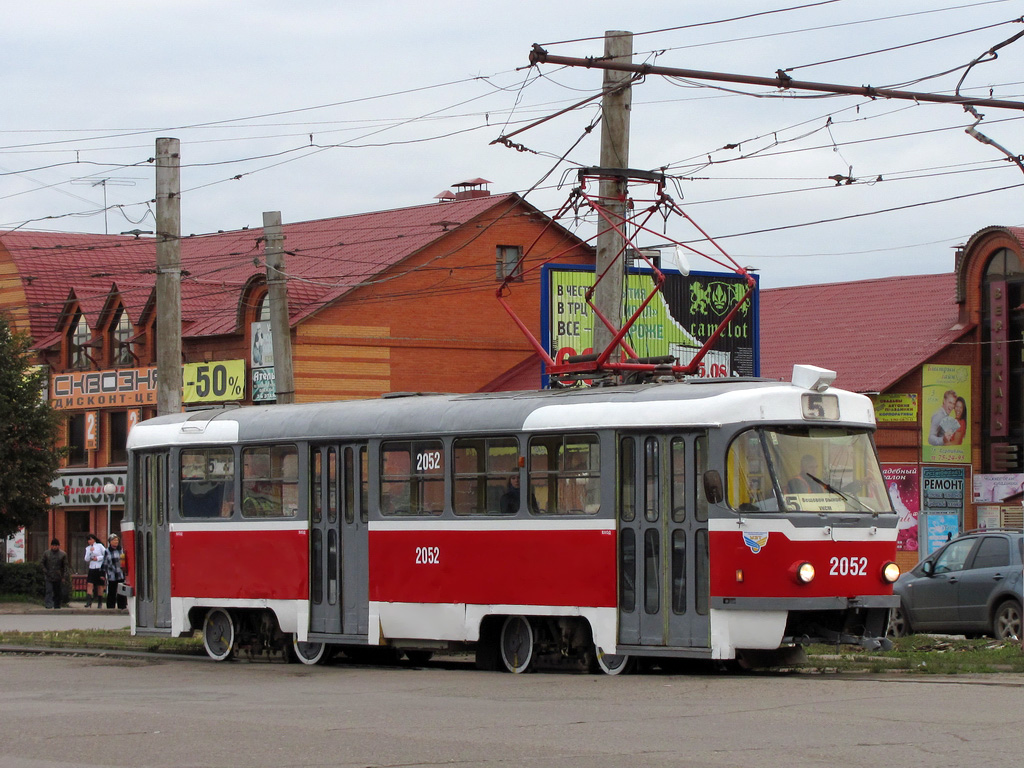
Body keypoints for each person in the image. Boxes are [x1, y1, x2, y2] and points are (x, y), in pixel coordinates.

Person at [40, 538, 70, 609]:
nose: (54, 547)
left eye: (56, 545)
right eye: (53, 545)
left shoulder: (63, 554)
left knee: (57, 591)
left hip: (58, 575)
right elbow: (42, 563)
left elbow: (65, 566)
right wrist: (45, 570)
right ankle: (48, 604)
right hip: (48, 574)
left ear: (58, 546)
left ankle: (57, 605)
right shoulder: (46, 553)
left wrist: (64, 576)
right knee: (49, 590)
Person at [102, 534, 127, 610]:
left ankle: (122, 606)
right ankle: (110, 607)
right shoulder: (107, 551)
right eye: (114, 540)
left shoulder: (121, 550)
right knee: (112, 591)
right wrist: (103, 574)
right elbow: (105, 563)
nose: (116, 542)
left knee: (121, 591)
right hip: (112, 574)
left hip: (121, 574)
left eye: (117, 540)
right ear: (110, 542)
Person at [83, 533, 107, 608]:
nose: (89, 541)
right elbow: (86, 559)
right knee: (90, 584)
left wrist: (98, 558)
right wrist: (90, 552)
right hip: (92, 567)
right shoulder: (88, 548)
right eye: (88, 540)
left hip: (99, 567)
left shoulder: (99, 546)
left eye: (91, 539)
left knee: (100, 585)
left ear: (94, 539)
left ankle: (100, 602)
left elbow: (106, 554)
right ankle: (89, 601)